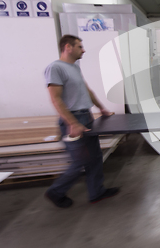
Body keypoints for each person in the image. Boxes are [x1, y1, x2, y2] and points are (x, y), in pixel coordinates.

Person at [44, 34, 119, 208]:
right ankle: (55, 192)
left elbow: (88, 91)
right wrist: (72, 123)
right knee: (81, 161)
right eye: (79, 46)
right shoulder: (55, 68)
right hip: (73, 119)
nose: (83, 50)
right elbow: (56, 99)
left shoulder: (74, 67)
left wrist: (101, 108)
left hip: (86, 116)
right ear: (68, 47)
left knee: (95, 158)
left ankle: (96, 192)